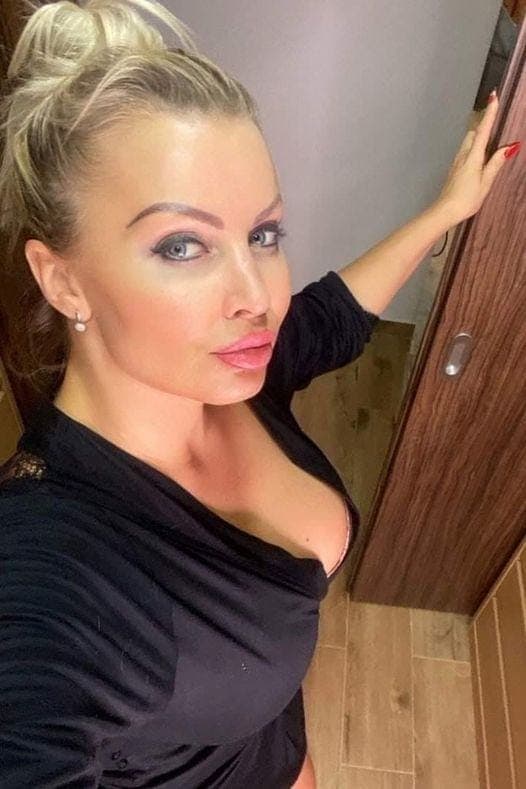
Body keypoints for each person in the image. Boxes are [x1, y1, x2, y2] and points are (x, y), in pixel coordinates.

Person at [0, 1, 517, 787]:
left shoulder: (225, 376)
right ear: (62, 279)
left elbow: (331, 316)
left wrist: (449, 211)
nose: (257, 296)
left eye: (263, 235)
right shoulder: (50, 572)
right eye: (183, 245)